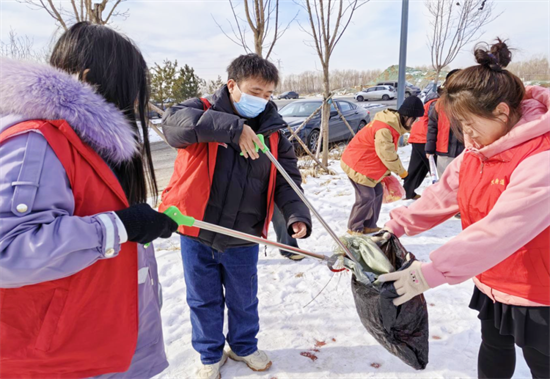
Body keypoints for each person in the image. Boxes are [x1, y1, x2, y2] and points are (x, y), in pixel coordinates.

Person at [0, 22, 178, 378]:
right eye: (130, 91)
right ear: (89, 80)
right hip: (62, 360)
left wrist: (134, 228)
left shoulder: (82, 144)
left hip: (99, 343)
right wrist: (120, 227)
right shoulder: (35, 143)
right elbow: (8, 251)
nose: (136, 103)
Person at [379, 39, 550, 379]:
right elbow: (441, 195)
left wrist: (430, 272)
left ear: (502, 111)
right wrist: (393, 227)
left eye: (471, 125)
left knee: (541, 361)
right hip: (492, 278)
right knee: (494, 347)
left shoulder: (541, 158)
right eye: (461, 126)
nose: (466, 136)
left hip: (538, 289)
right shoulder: (477, 152)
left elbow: (500, 230)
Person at [161, 54, 312, 378]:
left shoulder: (273, 134)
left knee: (244, 300)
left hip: (243, 235)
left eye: (268, 94)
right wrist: (232, 129)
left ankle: (243, 346)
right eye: (255, 91)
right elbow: (173, 126)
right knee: (202, 300)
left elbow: (288, 180)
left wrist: (296, 215)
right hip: (197, 231)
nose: (262, 100)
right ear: (232, 85)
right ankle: (209, 354)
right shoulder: (202, 110)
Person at [341, 96, 425, 235]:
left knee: (378, 193)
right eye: (414, 119)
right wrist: (401, 172)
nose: (415, 123)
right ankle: (354, 228)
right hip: (357, 164)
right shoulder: (385, 129)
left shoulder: (392, 126)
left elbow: (382, 153)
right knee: (366, 197)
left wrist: (386, 173)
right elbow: (387, 154)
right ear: (406, 117)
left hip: (368, 164)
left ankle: (370, 225)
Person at [425, 69, 464, 178]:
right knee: (445, 184)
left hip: (464, 152)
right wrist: (429, 149)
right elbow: (432, 127)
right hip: (444, 152)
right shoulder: (440, 104)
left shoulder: (469, 104)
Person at [402, 98, 439, 199]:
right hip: (425, 139)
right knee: (436, 169)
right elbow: (435, 123)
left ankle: (407, 192)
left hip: (417, 138)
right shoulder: (436, 104)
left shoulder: (428, 104)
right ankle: (440, 196)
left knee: (416, 167)